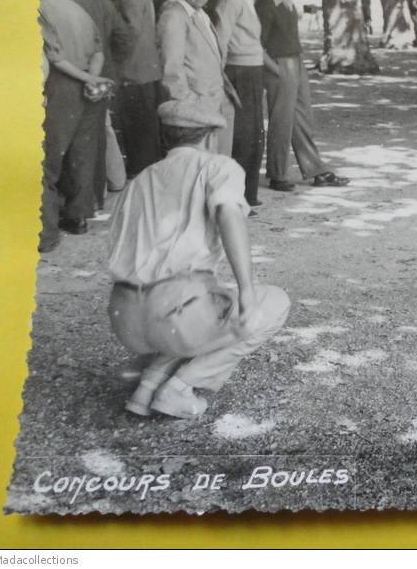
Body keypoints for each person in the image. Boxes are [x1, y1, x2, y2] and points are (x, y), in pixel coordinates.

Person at [106, 99, 291, 419]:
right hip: (176, 313)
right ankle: (180, 387)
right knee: (273, 302)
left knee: (200, 300)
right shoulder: (217, 167)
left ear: (166, 138)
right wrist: (247, 291)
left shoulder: (140, 181)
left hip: (126, 318)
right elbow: (228, 214)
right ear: (209, 138)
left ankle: (147, 385)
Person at [36, 0, 113, 252]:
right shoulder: (77, 8)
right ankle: (78, 218)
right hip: (88, 86)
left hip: (63, 86)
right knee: (82, 155)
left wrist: (82, 79)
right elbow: (98, 50)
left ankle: (46, 233)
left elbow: (54, 57)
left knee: (48, 159)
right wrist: (92, 78)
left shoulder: (41, 10)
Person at [256, 0, 349, 191]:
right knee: (281, 122)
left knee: (302, 120)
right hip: (278, 65)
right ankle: (277, 175)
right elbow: (256, 44)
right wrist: (276, 69)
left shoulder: (288, 3)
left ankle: (317, 170)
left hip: (296, 62)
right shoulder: (266, 4)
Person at [57, 0, 134, 210]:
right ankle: (102, 192)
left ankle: (78, 202)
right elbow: (124, 38)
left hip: (66, 79)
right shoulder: (104, 3)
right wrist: (112, 67)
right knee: (101, 133)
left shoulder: (55, 3)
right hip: (101, 78)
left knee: (69, 143)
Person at [158, 0, 238, 158]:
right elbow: (171, 70)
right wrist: (192, 105)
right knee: (202, 169)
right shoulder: (174, 16)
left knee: (218, 168)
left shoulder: (201, 14)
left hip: (218, 101)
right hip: (198, 108)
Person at [216, 0, 267, 207]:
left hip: (252, 69)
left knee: (255, 133)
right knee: (244, 135)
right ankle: (238, 196)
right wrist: (223, 77)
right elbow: (221, 38)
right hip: (240, 71)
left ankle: (249, 194)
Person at [111, 0, 164, 178]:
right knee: (145, 126)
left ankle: (141, 171)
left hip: (134, 72)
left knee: (138, 127)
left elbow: (129, 32)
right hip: (144, 70)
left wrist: (115, 58)